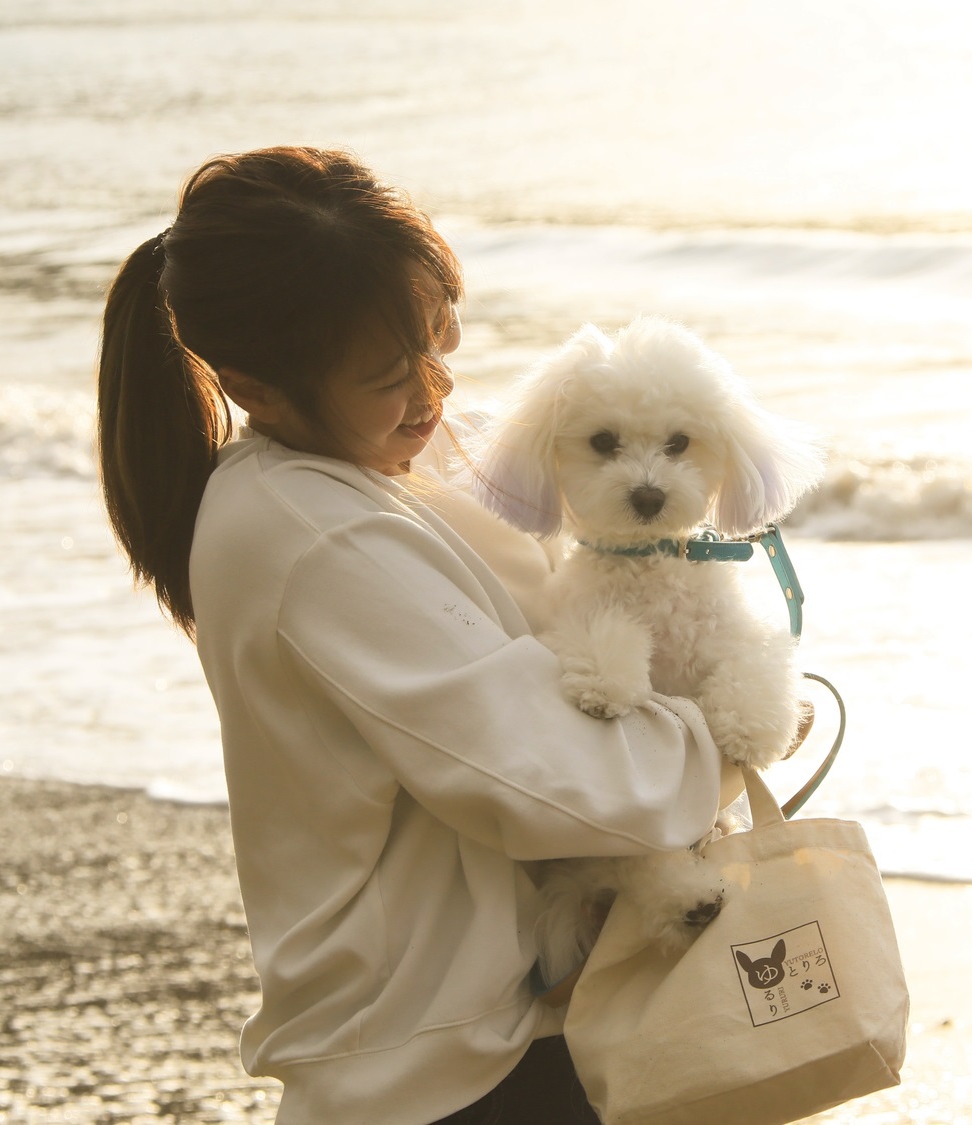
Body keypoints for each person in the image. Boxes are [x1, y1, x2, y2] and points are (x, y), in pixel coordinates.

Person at [95, 147, 725, 1125]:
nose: (434, 395)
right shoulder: (312, 533)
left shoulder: (368, 467)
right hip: (442, 1067)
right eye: (392, 373)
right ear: (253, 389)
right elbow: (550, 778)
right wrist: (722, 731)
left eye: (443, 342)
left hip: (470, 1032)